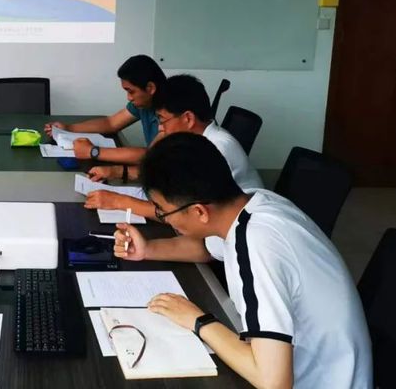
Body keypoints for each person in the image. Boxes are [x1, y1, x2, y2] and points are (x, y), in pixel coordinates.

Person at [114, 133, 372, 389]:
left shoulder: (258, 245)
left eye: (162, 211)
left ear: (199, 211)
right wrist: (147, 249)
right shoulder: (252, 202)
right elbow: (205, 249)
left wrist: (198, 321)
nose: (164, 219)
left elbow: (273, 382)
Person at [85, 74, 262, 227]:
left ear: (188, 118)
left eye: (163, 120)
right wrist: (118, 172)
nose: (161, 128)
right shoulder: (193, 142)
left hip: (237, 233)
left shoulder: (216, 149)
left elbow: (181, 214)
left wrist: (118, 201)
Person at [44, 55, 165, 164]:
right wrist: (68, 128)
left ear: (150, 88)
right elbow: (111, 123)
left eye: (131, 91)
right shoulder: (144, 103)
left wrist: (92, 151)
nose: (129, 98)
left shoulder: (171, 112)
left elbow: (150, 155)